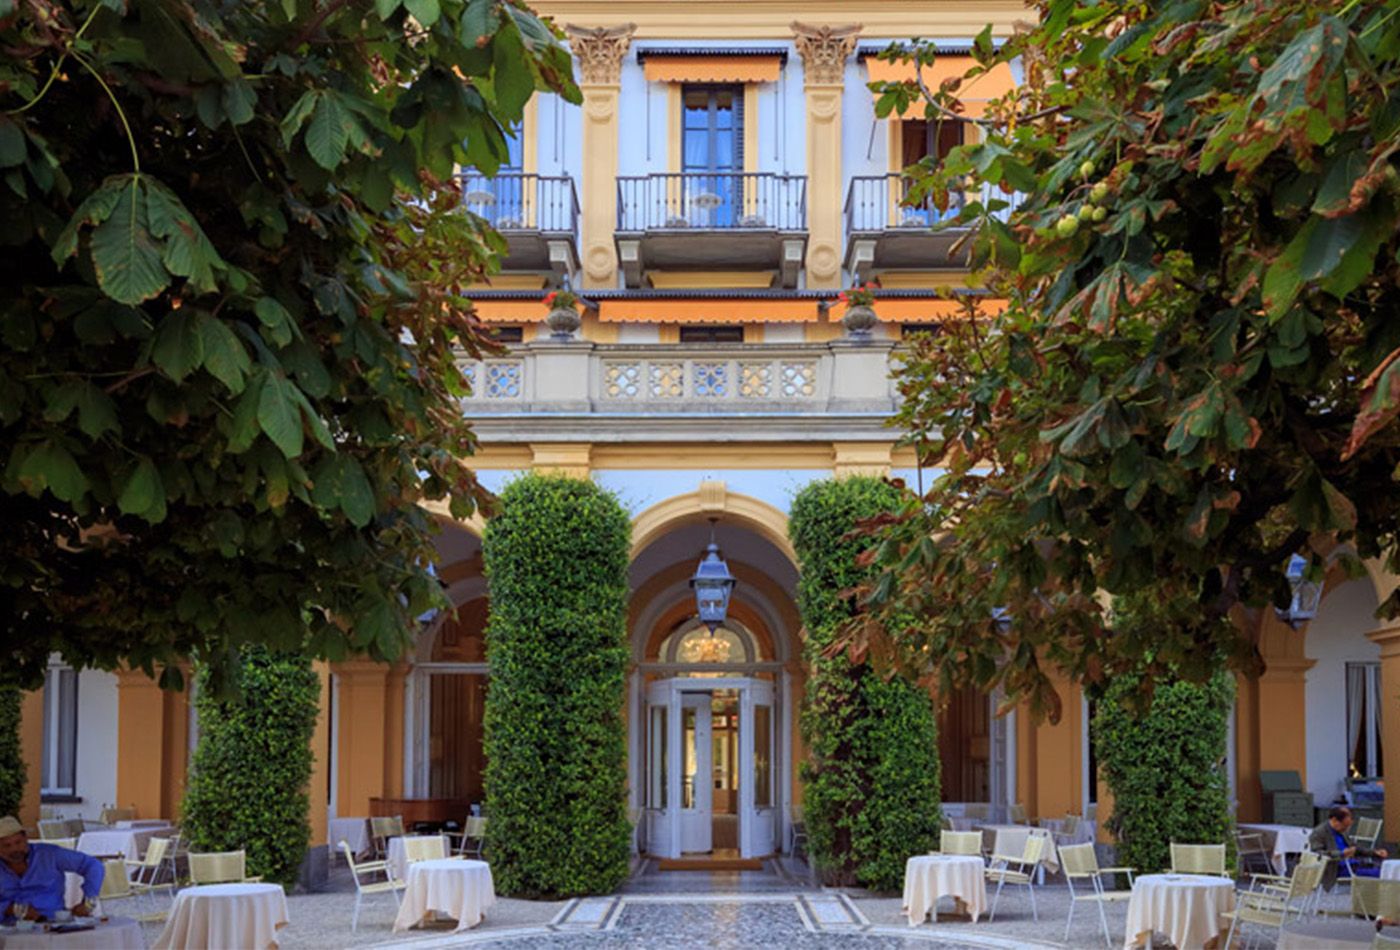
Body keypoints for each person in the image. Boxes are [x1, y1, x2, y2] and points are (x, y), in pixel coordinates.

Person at [0, 816, 104, 922]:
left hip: (51, 923)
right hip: (7, 928)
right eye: (7, 846)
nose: (15, 849)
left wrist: (86, 902)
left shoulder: (49, 855)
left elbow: (93, 865)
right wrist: (10, 909)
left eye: (18, 842)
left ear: (26, 839)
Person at [1308, 804, 1390, 890]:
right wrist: (1342, 853)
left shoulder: (1342, 831)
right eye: (1344, 826)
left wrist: (1374, 852)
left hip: (1354, 864)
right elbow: (1317, 854)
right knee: (1380, 874)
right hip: (1336, 868)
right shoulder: (1319, 833)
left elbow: (1355, 848)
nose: (1346, 830)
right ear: (1334, 820)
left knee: (1386, 871)